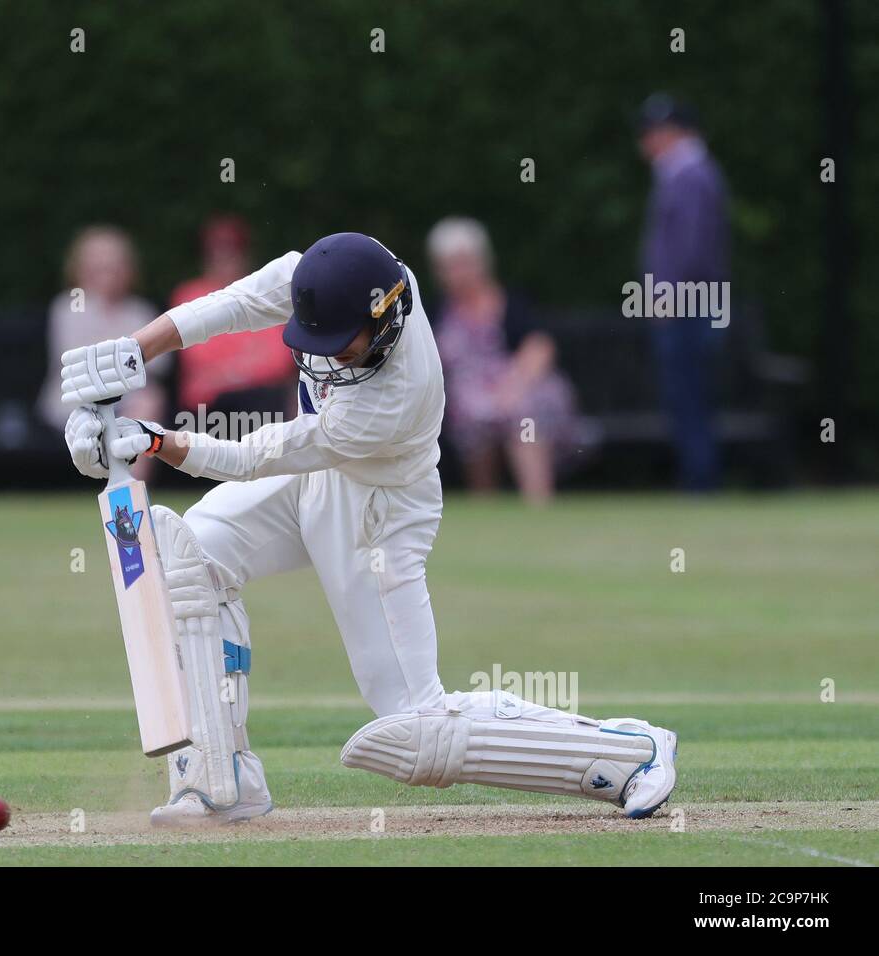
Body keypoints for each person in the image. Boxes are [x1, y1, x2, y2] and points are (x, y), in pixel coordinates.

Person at [60, 233, 676, 826]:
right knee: (191, 554)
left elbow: (258, 455)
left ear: (384, 325)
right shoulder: (330, 279)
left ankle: (629, 752)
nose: (328, 356)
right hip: (316, 477)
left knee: (416, 725)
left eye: (343, 346)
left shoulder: (391, 396)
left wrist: (154, 441)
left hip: (377, 516)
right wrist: (135, 351)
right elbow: (235, 304)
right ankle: (223, 778)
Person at [428, 218, 583, 504]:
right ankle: (485, 503)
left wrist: (513, 385)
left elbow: (540, 347)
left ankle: (538, 501)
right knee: (472, 412)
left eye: (464, 262)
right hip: (466, 396)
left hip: (522, 385)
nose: (458, 272)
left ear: (482, 261)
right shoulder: (436, 313)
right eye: (450, 265)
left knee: (522, 411)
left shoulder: (511, 302)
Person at [638, 93, 729, 491]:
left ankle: (700, 479)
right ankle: (698, 475)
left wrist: (667, 297)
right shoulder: (687, 173)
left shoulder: (689, 174)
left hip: (689, 305)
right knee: (688, 391)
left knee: (689, 392)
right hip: (692, 302)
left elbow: (690, 247)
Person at [36, 225, 168, 432]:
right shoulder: (71, 302)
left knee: (150, 401)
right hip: (78, 402)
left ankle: (129, 465)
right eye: (99, 268)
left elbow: (159, 363)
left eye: (114, 267)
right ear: (80, 270)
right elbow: (77, 360)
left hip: (127, 401)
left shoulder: (139, 310)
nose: (108, 275)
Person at [169, 216, 295, 419]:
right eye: (216, 252)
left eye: (231, 252)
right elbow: (196, 356)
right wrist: (247, 364)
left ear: (245, 255)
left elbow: (279, 359)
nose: (222, 259)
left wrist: (229, 373)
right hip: (208, 404)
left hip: (259, 397)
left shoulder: (262, 294)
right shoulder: (189, 293)